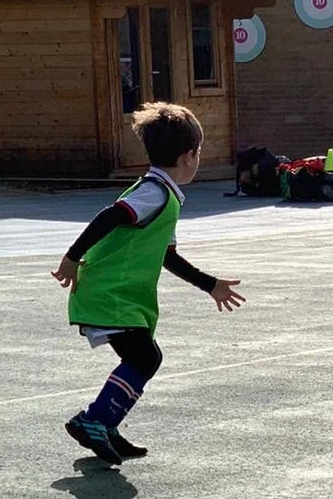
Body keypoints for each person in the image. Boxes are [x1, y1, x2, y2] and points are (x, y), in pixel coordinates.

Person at [51, 101, 244, 464]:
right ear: (189, 156)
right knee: (145, 357)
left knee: (145, 358)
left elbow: (166, 256)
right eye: (199, 153)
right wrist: (72, 257)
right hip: (110, 293)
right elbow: (111, 215)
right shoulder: (154, 193)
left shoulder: (164, 195)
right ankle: (94, 420)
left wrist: (210, 284)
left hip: (118, 295)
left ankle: (103, 424)